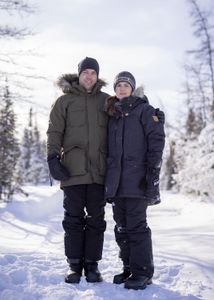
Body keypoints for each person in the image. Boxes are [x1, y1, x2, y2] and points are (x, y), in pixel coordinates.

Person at [47, 57, 109, 284]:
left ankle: (92, 266)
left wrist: (147, 109)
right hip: (72, 171)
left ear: (97, 76)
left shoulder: (106, 101)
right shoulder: (64, 102)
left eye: (93, 73)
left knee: (96, 219)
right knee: (73, 219)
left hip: (98, 172)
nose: (89, 76)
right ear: (79, 75)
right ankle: (74, 266)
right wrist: (53, 158)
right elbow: (54, 132)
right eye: (86, 72)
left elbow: (126, 116)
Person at [105, 71, 165, 290]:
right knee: (121, 227)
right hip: (117, 182)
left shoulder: (144, 110)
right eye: (118, 85)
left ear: (132, 88)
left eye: (126, 85)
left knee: (136, 227)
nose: (122, 88)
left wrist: (152, 174)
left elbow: (156, 141)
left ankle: (143, 273)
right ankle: (129, 267)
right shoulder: (113, 114)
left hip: (137, 180)